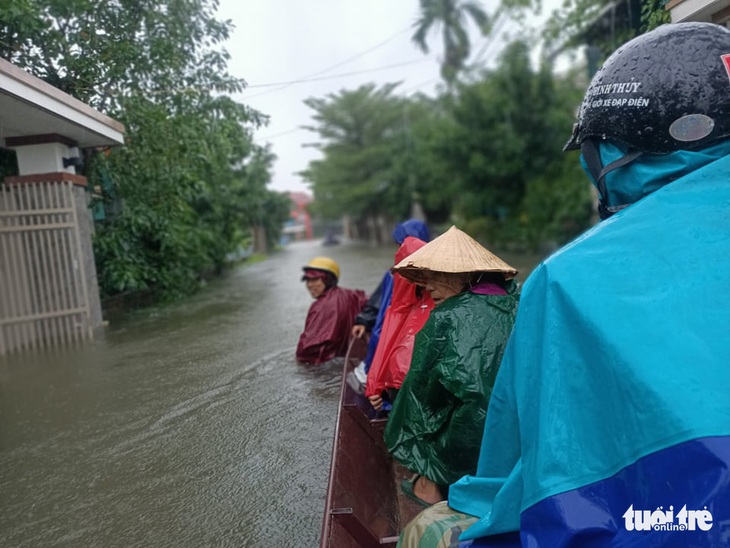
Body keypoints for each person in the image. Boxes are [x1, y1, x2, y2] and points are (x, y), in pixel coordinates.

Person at [399, 22, 730, 547]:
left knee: (428, 526)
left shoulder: (562, 281)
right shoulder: (513, 299)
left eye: (432, 277)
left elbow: (505, 471)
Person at [383, 226, 519, 508]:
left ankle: (429, 487)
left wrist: (420, 457)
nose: (427, 286)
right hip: (522, 440)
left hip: (467, 452)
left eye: (436, 276)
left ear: (463, 274)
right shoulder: (520, 303)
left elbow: (419, 399)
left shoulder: (447, 317)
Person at [351, 219, 431, 380]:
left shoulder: (435, 273)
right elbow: (379, 300)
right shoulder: (392, 275)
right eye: (400, 245)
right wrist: (364, 321)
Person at [365, 235, 435, 412]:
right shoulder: (402, 308)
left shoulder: (435, 303)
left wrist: (376, 385)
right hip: (400, 387)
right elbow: (385, 343)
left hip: (416, 388)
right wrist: (374, 386)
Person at [295, 256, 367, 365]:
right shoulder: (354, 295)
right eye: (308, 280)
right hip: (354, 361)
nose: (309, 285)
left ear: (328, 279)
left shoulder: (320, 307)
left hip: (325, 369)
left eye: (314, 279)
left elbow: (307, 349)